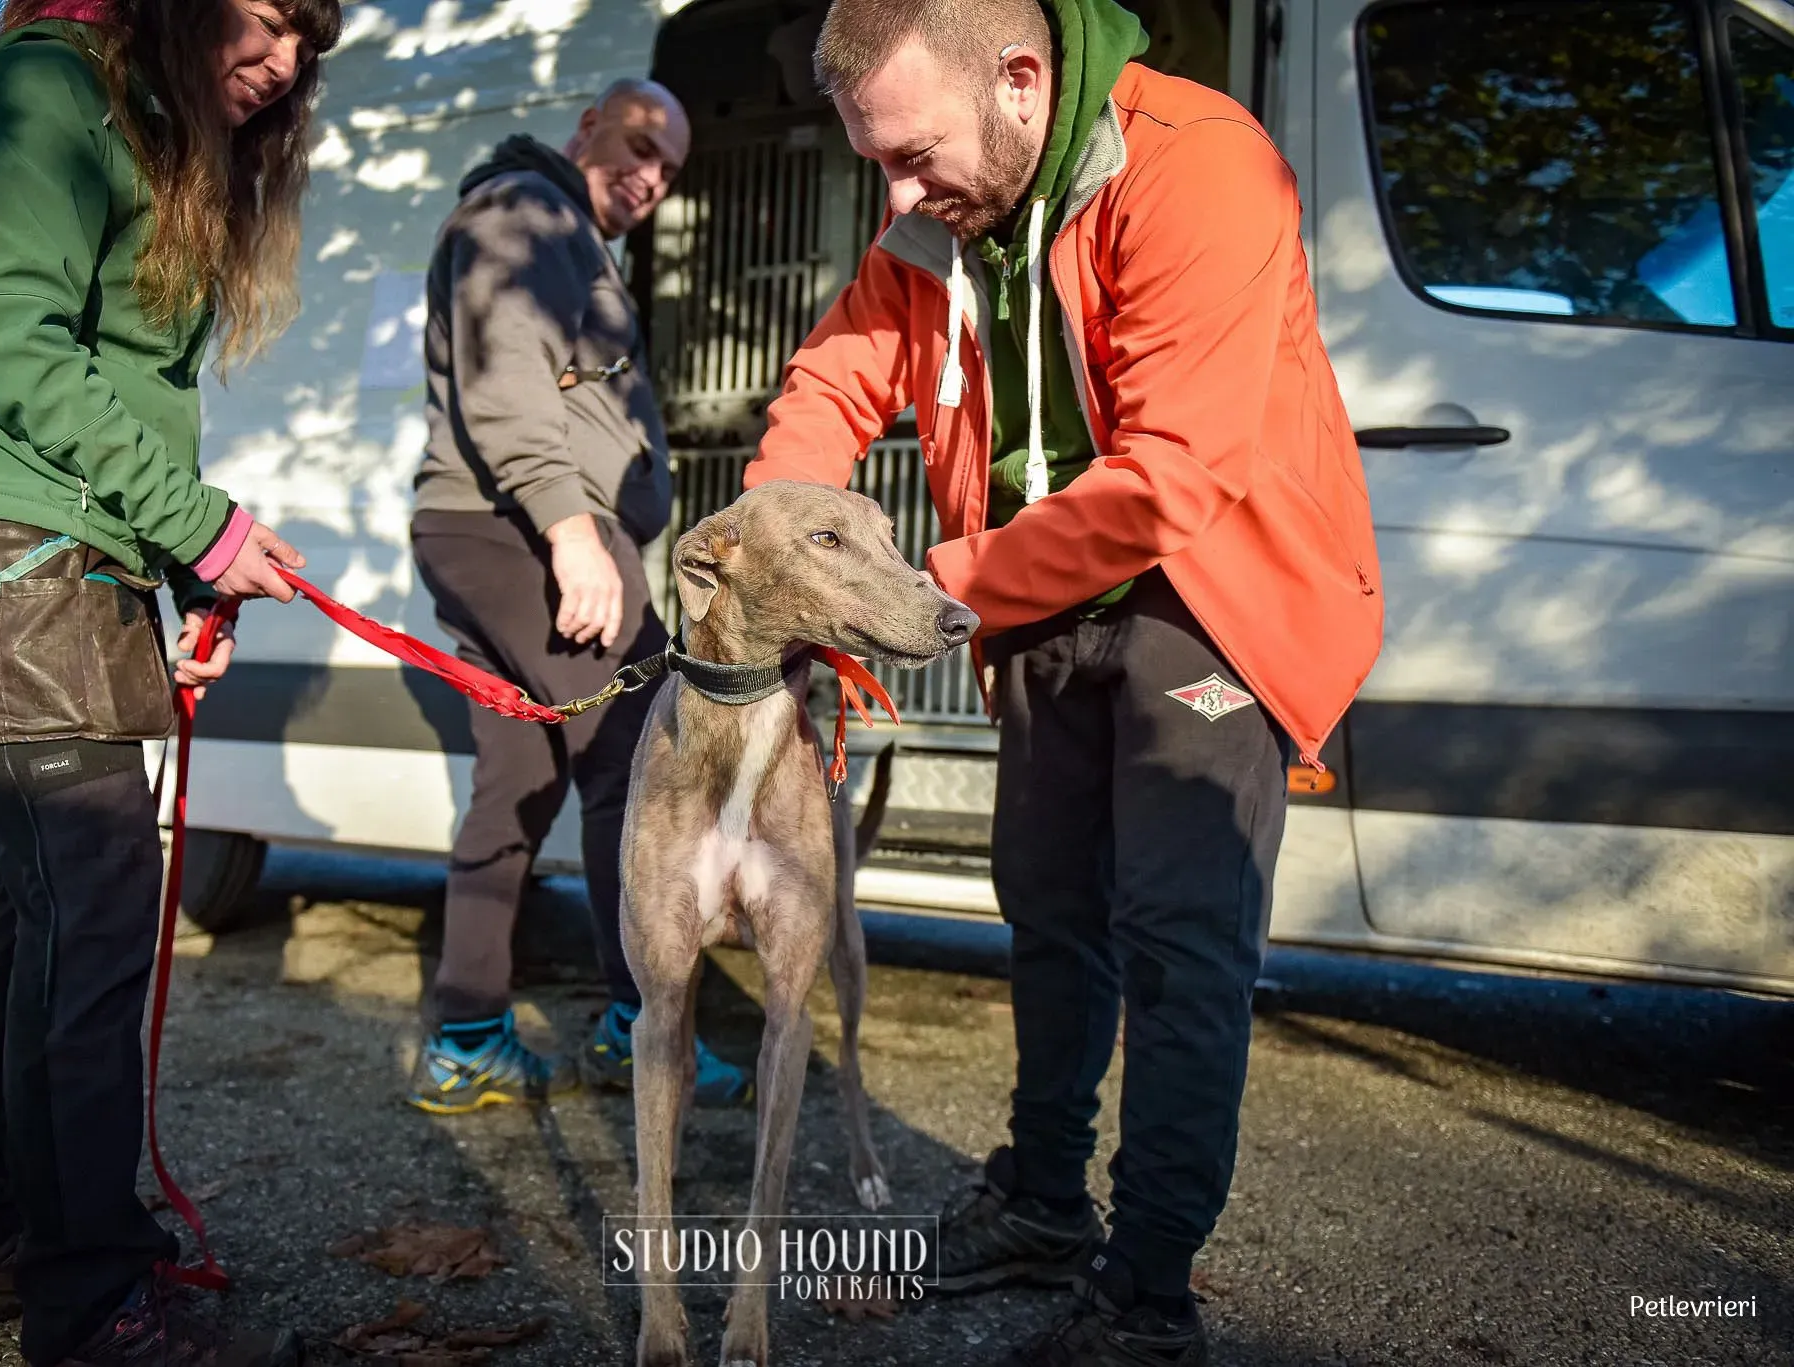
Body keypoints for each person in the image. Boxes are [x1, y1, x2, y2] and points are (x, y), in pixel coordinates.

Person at [744, 0, 1384, 1362]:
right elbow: (833, 381)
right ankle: (1040, 1201)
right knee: (1045, 907)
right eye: (877, 162)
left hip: (1201, 591)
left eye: (912, 155)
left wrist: (927, 590)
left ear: (1020, 81)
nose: (895, 195)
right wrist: (774, 547)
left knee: (1176, 937)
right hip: (1035, 599)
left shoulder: (1200, 163)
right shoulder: (944, 208)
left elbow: (1174, 475)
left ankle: (1147, 1293)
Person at [0, 1, 339, 1363]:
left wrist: (186, 565)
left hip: (55, 542)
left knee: (40, 910)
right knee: (93, 912)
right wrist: (198, 525)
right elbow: (12, 343)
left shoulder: (142, 118)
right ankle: (89, 1300)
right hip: (0, 542)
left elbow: (118, 393)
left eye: (308, 43)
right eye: (267, 18)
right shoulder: (41, 85)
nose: (284, 64)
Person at [405, 80, 756, 1115]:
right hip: (526, 532)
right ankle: (645, 1033)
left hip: (492, 530)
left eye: (669, 168)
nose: (651, 177)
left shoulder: (558, 228)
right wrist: (572, 532)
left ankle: (468, 1037)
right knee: (636, 773)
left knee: (515, 782)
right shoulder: (527, 213)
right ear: (587, 126)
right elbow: (507, 380)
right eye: (640, 146)